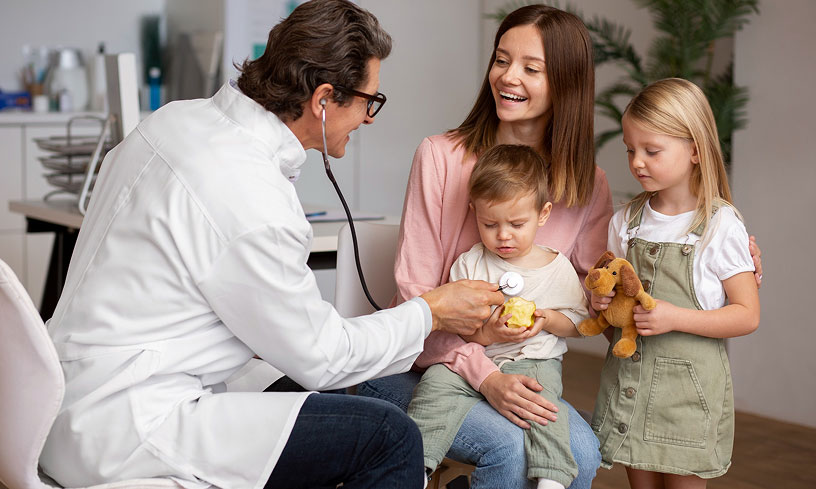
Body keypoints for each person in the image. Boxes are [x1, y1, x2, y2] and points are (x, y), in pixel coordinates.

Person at [38, 2, 504, 489]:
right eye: (370, 100)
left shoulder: (172, 121)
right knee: (389, 436)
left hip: (74, 398)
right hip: (133, 423)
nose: (369, 118)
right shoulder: (250, 194)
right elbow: (325, 358)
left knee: (312, 397)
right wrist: (432, 311)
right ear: (324, 99)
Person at [356, 5, 765, 489]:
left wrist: (725, 261)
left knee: (581, 453)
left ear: (566, 84)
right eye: (501, 59)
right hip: (426, 367)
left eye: (532, 68)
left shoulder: (586, 184)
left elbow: (603, 291)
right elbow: (414, 298)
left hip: (525, 368)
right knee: (507, 447)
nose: (508, 77)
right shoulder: (441, 158)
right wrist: (486, 376)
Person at [589, 78, 761, 489]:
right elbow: (616, 314)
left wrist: (674, 317)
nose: (637, 162)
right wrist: (603, 307)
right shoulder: (625, 224)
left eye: (652, 150)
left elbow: (747, 314)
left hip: (687, 398)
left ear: (695, 151)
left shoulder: (719, 226)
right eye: (631, 150)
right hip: (629, 385)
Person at [407, 144, 591, 489]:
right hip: (474, 362)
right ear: (473, 210)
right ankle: (416, 464)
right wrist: (487, 334)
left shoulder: (556, 267)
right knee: (435, 386)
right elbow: (457, 332)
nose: (503, 235)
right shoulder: (469, 263)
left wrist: (548, 319)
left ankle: (552, 475)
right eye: (489, 224)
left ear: (544, 214)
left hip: (533, 361)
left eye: (517, 224)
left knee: (544, 408)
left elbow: (580, 324)